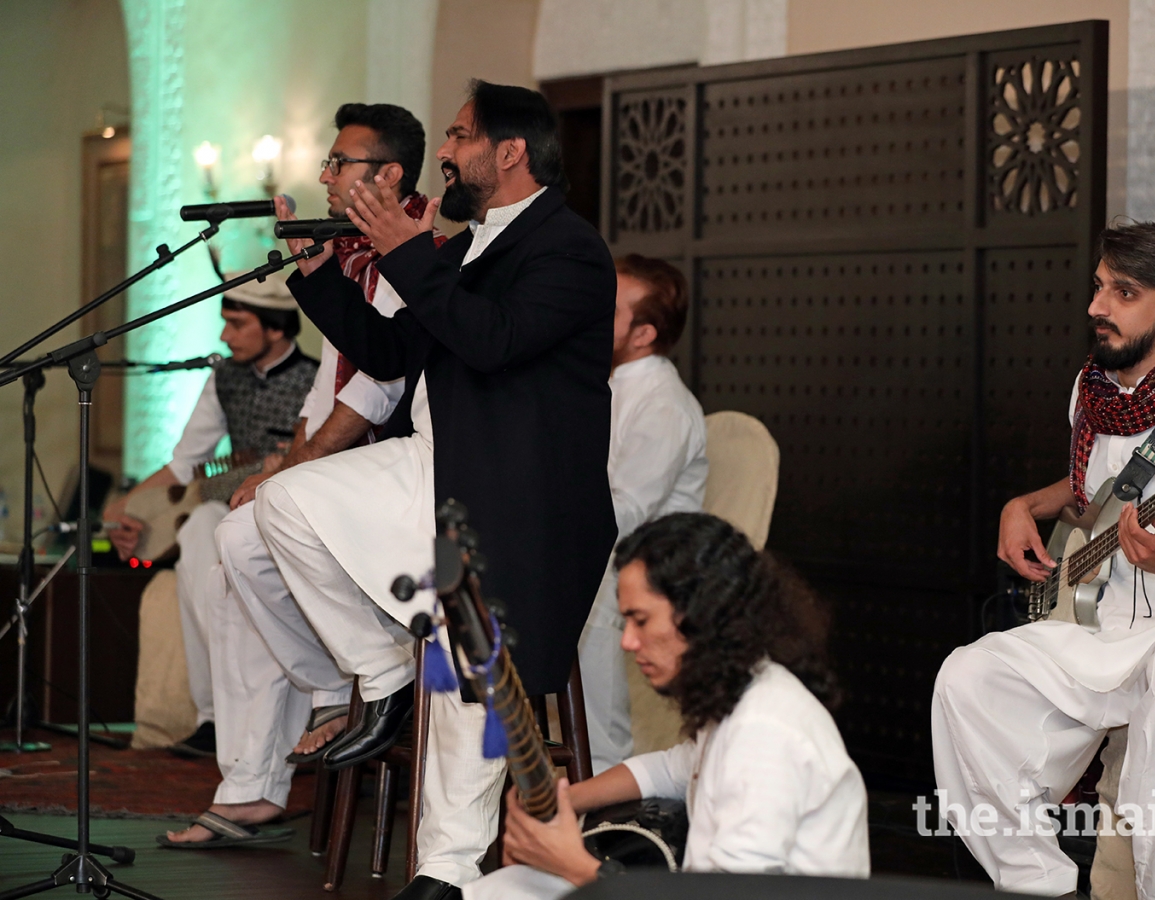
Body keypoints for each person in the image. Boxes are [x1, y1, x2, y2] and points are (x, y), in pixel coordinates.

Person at [253, 80, 616, 899]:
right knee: (286, 503)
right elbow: (389, 352)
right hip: (434, 466)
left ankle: (444, 874)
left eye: (457, 136)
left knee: (466, 678)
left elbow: (494, 343)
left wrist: (404, 252)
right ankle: (382, 677)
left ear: (511, 151)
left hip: (519, 502)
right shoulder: (463, 246)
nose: (444, 154)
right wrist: (318, 273)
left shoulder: (569, 249)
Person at [932, 222, 1155, 898]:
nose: (1098, 306)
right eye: (1099, 288)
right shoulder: (1093, 395)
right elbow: (1095, 486)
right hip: (1110, 631)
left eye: (1124, 292)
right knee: (966, 676)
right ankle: (1041, 881)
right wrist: (1022, 503)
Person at [158, 102, 444, 848]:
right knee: (234, 539)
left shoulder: (415, 242)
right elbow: (339, 380)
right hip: (354, 471)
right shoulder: (348, 247)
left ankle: (330, 699)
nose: (322, 175)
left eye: (338, 163)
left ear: (386, 174)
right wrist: (288, 463)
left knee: (249, 538)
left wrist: (299, 468)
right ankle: (272, 756)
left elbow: (377, 385)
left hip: (404, 479)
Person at [465, 512, 870, 900]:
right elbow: (675, 769)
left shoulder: (765, 731)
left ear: (701, 612)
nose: (627, 641)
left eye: (641, 620)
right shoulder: (743, 695)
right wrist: (566, 800)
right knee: (505, 889)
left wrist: (575, 865)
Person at [103, 273, 316, 759]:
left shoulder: (315, 381)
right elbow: (183, 464)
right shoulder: (224, 378)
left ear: (277, 329)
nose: (225, 337)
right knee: (202, 525)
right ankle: (213, 718)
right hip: (230, 513)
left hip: (293, 518)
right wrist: (121, 513)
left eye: (237, 325)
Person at [578, 255, 707, 772]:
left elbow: (624, 513)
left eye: (607, 310)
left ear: (643, 333)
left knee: (584, 602)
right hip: (599, 558)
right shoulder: (601, 383)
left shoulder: (664, 403)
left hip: (646, 574)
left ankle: (603, 795)